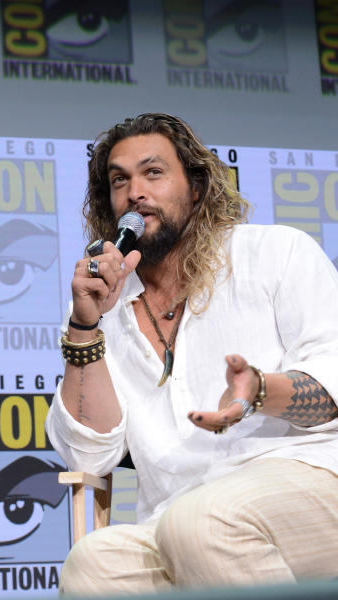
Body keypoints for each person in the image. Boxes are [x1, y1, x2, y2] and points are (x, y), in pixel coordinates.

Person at [45, 114, 338, 594]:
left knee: (200, 524)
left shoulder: (275, 253)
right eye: (120, 180)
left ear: (197, 188)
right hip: (176, 515)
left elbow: (332, 388)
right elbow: (87, 454)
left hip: (311, 479)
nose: (135, 192)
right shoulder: (104, 304)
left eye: (153, 173)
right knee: (93, 564)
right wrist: (84, 327)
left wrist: (261, 390)